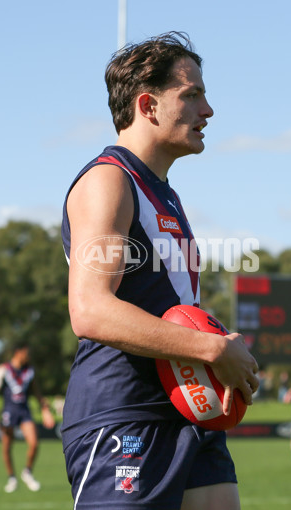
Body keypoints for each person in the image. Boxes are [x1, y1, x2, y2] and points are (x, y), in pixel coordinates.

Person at [60, 32, 259, 510]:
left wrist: (219, 349)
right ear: (148, 105)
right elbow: (90, 310)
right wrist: (212, 348)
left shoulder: (165, 193)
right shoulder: (108, 180)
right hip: (124, 416)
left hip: (190, 405)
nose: (207, 110)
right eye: (191, 95)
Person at [0, 342, 55, 493]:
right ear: (17, 352)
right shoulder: (3, 370)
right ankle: (11, 478)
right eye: (26, 353)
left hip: (24, 411)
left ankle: (27, 472)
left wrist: (45, 411)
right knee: (6, 447)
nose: (28, 356)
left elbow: (37, 393)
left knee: (34, 443)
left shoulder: (29, 371)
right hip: (8, 412)